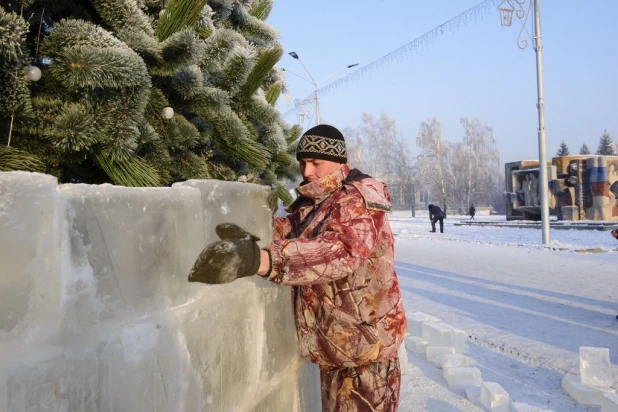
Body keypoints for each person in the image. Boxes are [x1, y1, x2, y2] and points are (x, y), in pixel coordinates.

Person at [189, 124, 407, 411]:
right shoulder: (313, 202)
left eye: (316, 163)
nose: (307, 171)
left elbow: (343, 250)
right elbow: (296, 235)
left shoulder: (356, 198)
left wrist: (263, 259)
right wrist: (254, 224)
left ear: (340, 161)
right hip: (338, 344)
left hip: (366, 348)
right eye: (303, 162)